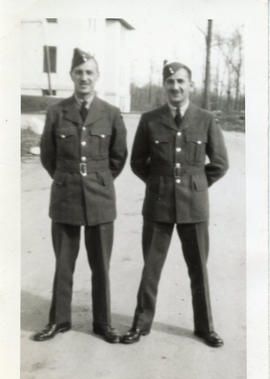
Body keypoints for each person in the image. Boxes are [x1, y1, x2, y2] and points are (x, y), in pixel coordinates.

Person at [121, 62, 229, 347]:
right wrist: (159, 183)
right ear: (164, 86)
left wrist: (195, 184)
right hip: (158, 205)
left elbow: (219, 164)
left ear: (190, 85)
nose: (176, 87)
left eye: (181, 81)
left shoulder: (205, 119)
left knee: (198, 269)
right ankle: (140, 325)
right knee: (151, 268)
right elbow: (137, 162)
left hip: (194, 206)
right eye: (171, 82)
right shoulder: (150, 119)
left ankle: (205, 328)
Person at [33, 48, 127, 343]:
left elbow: (118, 157)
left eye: (89, 72)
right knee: (63, 262)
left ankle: (103, 323)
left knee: (101, 264)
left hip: (100, 197)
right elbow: (48, 156)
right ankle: (59, 320)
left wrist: (98, 180)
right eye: (79, 73)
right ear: (71, 76)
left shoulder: (111, 113)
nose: (84, 78)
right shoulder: (56, 112)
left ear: (97, 77)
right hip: (65, 195)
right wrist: (67, 177)